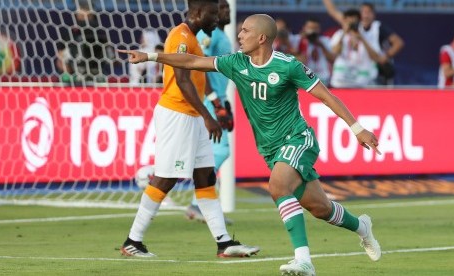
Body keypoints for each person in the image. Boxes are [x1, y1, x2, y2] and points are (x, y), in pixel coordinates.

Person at [119, 13, 382, 276]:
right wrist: (152, 56)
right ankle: (362, 227)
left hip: (298, 138)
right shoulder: (236, 63)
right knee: (321, 208)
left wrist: (357, 128)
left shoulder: (288, 66)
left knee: (278, 187)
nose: (239, 35)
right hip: (269, 148)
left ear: (262, 38)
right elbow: (192, 61)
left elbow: (327, 97)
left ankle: (304, 261)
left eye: (245, 31)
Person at [118, 0, 259, 258]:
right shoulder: (180, 37)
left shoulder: (193, 38)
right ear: (196, 12)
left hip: (192, 115)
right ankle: (132, 241)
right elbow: (182, 81)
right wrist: (208, 116)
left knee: (205, 176)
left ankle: (224, 243)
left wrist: (213, 105)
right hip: (178, 114)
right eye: (213, 14)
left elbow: (198, 76)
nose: (216, 19)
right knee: (166, 177)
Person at [185, 0, 234, 225]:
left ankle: (201, 203)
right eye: (221, 9)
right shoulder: (211, 37)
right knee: (220, 150)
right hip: (209, 100)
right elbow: (199, 67)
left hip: (219, 99)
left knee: (209, 151)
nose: (225, 12)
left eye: (227, 8)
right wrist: (216, 103)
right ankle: (199, 201)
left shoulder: (223, 37)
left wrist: (226, 103)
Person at [323, 0, 404, 85]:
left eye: (368, 12)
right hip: (345, 77)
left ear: (373, 14)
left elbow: (398, 43)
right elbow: (333, 12)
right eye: (363, 12)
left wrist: (386, 56)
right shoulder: (351, 26)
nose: (365, 15)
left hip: (367, 77)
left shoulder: (376, 28)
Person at [57, 1, 114, 84]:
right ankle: (69, 76)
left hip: (96, 65)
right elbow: (60, 53)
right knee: (62, 54)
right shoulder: (69, 32)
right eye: (82, 16)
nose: (85, 19)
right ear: (77, 16)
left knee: (107, 51)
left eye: (88, 16)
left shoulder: (99, 31)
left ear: (92, 16)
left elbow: (111, 53)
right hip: (75, 65)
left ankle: (99, 75)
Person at [329, 9, 382, 88]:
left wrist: (362, 39)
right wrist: (344, 33)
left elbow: (376, 58)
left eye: (354, 22)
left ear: (359, 22)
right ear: (344, 21)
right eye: (348, 22)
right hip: (340, 82)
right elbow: (334, 54)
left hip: (362, 83)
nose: (351, 25)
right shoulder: (339, 34)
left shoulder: (368, 35)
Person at [295, 17, 336, 86]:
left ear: (319, 29)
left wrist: (321, 45)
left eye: (315, 28)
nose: (313, 31)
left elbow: (332, 59)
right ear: (304, 28)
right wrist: (304, 42)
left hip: (324, 80)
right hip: (305, 80)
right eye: (310, 28)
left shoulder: (326, 40)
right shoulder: (298, 40)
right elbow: (298, 61)